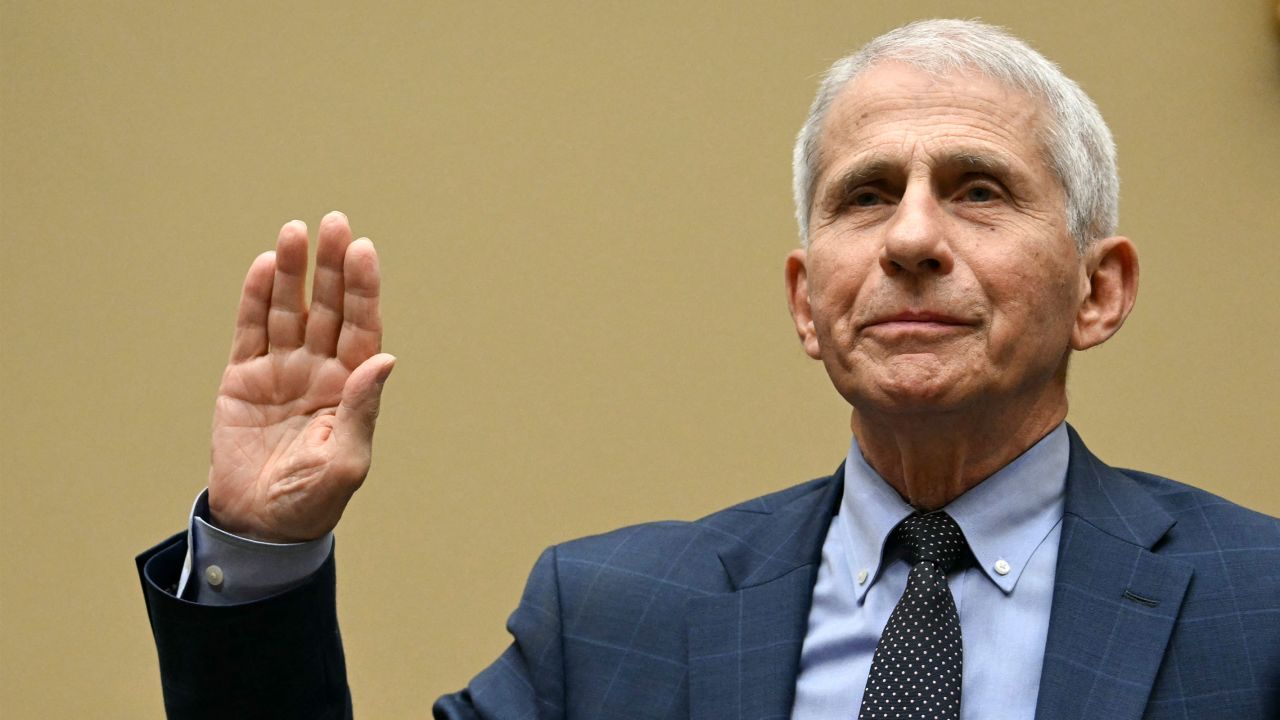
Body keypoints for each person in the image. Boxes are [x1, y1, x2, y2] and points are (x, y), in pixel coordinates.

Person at [137, 19, 1279, 720]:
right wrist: (267, 550)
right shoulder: (614, 622)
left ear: (1098, 289)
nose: (912, 240)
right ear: (805, 301)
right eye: (865, 195)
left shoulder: (1258, 608)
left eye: (978, 190)